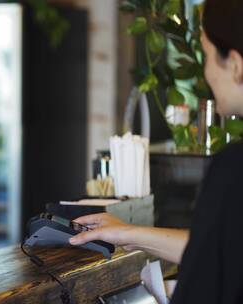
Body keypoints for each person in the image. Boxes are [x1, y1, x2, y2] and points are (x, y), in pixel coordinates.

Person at [69, 0, 243, 302]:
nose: (206, 73)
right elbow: (219, 247)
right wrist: (128, 234)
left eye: (207, 56)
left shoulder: (233, 168)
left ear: (236, 66)